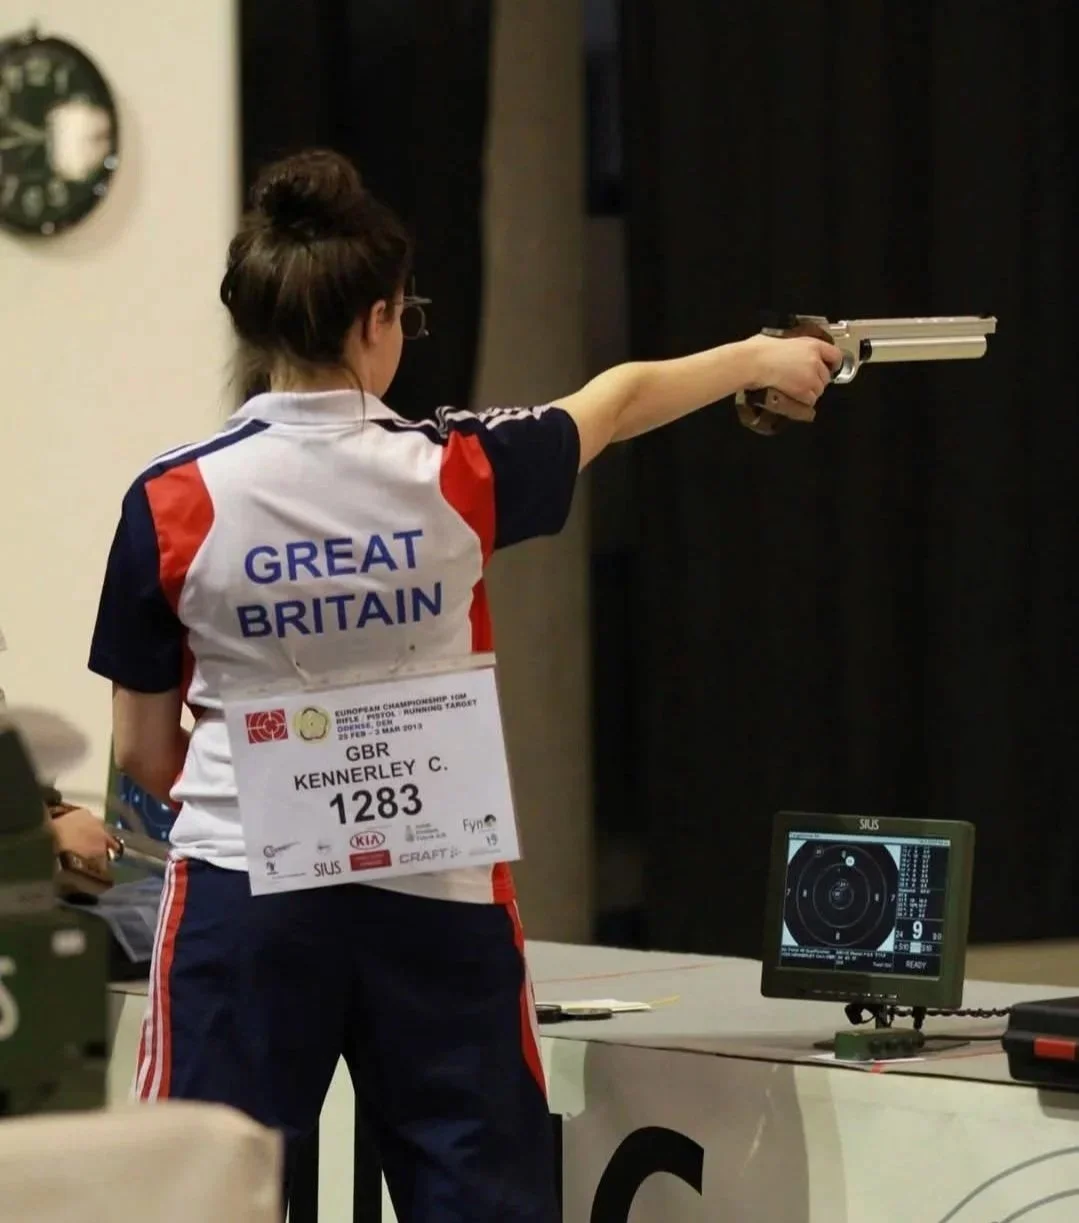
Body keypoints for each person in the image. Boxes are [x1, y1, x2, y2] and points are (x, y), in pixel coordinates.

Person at [87, 149, 839, 1222]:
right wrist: (764, 357)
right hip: (436, 900)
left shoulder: (170, 499)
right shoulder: (455, 470)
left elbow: (143, 751)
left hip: (240, 900)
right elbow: (619, 400)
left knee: (205, 1195)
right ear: (376, 320)